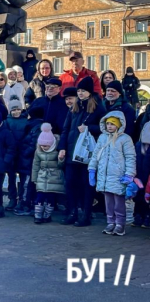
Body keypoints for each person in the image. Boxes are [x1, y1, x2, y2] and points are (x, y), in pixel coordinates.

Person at [58, 77, 107, 227]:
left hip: (88, 153)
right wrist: (62, 147)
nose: (80, 93)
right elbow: (66, 129)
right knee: (70, 183)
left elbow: (105, 128)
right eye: (78, 90)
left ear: (89, 92)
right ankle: (72, 212)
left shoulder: (98, 107)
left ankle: (86, 215)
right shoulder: (75, 107)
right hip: (72, 151)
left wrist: (89, 128)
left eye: (83, 91)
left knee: (87, 184)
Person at [88, 112, 136, 236]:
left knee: (119, 201)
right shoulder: (102, 138)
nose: (109, 126)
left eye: (112, 124)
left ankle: (120, 224)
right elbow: (96, 154)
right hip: (104, 176)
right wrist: (92, 169)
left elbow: (130, 157)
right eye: (108, 124)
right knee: (108, 200)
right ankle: (110, 221)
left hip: (118, 175)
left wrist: (129, 174)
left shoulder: (125, 139)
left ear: (119, 125)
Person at [14, 106, 45, 216]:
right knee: (26, 183)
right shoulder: (34, 126)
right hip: (27, 160)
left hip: (28, 160)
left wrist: (24, 153)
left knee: (27, 183)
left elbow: (33, 145)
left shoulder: (35, 127)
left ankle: (26, 204)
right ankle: (25, 203)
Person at [31, 123, 64, 224]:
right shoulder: (38, 151)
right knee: (40, 196)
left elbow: (60, 166)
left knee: (50, 198)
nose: (44, 147)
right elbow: (35, 165)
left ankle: (47, 215)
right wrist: (34, 178)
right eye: (42, 146)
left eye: (46, 146)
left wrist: (61, 159)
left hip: (54, 177)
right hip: (42, 176)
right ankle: (38, 215)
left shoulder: (57, 150)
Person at [5, 100, 28, 211]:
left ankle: (21, 199)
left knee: (23, 178)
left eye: (18, 109)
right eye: (13, 110)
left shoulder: (26, 121)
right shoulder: (7, 121)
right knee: (11, 177)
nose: (16, 112)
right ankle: (12, 198)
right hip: (11, 153)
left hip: (22, 153)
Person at [132, 122, 150, 227]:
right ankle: (138, 215)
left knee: (147, 196)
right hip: (138, 174)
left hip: (148, 176)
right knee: (138, 195)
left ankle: (147, 216)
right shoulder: (138, 145)